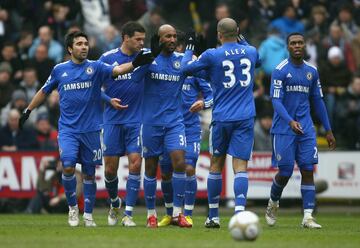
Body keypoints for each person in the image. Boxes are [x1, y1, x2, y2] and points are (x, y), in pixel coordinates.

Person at [18, 30, 155, 227]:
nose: (84, 47)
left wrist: (134, 64)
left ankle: (88, 215)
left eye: (85, 43)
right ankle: (72, 208)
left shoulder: (96, 67)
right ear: (69, 48)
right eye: (79, 44)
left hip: (91, 129)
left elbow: (116, 71)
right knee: (67, 166)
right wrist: (28, 110)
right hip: (68, 129)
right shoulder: (59, 70)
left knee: (90, 173)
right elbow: (44, 90)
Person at [181, 18, 260, 228]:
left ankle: (213, 216)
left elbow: (184, 69)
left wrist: (189, 48)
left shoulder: (212, 55)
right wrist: (241, 38)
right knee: (240, 166)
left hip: (222, 117)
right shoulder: (251, 51)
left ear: (218, 34)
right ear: (238, 32)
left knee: (216, 164)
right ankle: (240, 214)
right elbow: (256, 59)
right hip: (245, 117)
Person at [265, 32, 336, 229]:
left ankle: (307, 217)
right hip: (283, 128)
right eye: (293, 43)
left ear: (304, 46)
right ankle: (273, 202)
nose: (297, 46)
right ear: (288, 47)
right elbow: (276, 100)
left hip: (306, 129)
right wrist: (289, 121)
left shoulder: (312, 71)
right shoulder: (280, 70)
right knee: (285, 171)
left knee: (307, 170)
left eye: (300, 43)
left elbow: (318, 101)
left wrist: (328, 130)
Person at [157, 31, 213, 228]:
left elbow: (212, 95)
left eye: (181, 47)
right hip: (167, 125)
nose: (180, 53)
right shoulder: (163, 68)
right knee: (165, 173)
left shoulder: (194, 71)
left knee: (188, 168)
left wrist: (203, 103)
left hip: (189, 128)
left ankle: (186, 214)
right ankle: (170, 213)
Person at [99, 21, 152, 227]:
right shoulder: (108, 58)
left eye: (143, 39)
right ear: (125, 38)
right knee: (110, 170)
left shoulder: (146, 56)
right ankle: (114, 203)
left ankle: (128, 214)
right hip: (111, 120)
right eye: (137, 39)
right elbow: (93, 87)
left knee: (136, 164)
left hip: (136, 119)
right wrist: (108, 100)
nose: (141, 43)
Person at [141, 24, 192, 228]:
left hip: (174, 122)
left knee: (180, 162)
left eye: (174, 36)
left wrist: (193, 51)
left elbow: (201, 71)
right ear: (159, 39)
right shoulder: (147, 58)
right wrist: (146, 61)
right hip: (151, 123)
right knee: (151, 168)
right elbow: (134, 76)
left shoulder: (182, 61)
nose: (172, 39)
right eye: (168, 36)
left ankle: (178, 214)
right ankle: (151, 214)